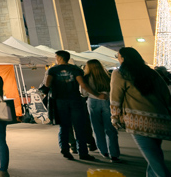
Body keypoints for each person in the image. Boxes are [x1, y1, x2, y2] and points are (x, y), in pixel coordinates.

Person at [111, 47, 171, 177]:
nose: (118, 58)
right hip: (159, 120)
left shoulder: (120, 73)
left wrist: (114, 116)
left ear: (123, 58)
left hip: (138, 121)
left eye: (118, 56)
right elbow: (166, 95)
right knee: (155, 154)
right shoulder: (151, 72)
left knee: (154, 159)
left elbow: (115, 97)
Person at [45, 50, 104, 161]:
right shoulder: (75, 69)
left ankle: (65, 149)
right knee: (79, 127)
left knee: (64, 126)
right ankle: (83, 153)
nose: (55, 58)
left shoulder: (52, 70)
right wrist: (97, 94)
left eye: (56, 57)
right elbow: (83, 84)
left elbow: (47, 84)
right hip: (75, 100)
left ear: (59, 58)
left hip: (60, 101)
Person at [82, 59, 121, 162]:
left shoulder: (86, 78)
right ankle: (114, 154)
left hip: (93, 102)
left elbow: (83, 92)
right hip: (107, 101)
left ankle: (104, 151)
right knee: (110, 128)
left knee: (97, 128)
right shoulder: (107, 76)